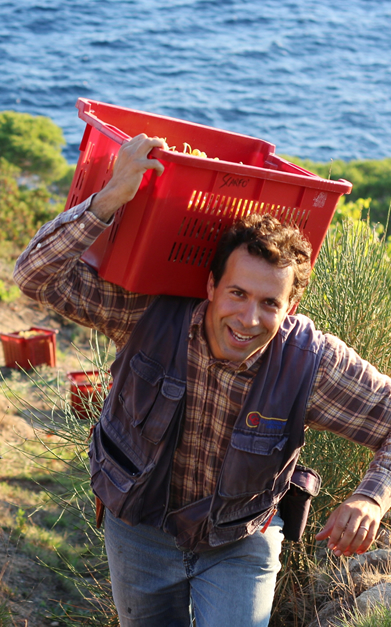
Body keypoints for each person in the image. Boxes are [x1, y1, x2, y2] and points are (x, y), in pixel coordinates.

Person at [13, 134, 391, 627]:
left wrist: (372, 496)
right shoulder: (150, 314)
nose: (249, 317)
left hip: (241, 542)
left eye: (270, 303)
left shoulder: (312, 362)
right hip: (138, 530)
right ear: (211, 286)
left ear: (291, 307)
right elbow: (35, 275)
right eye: (236, 292)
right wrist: (112, 195)